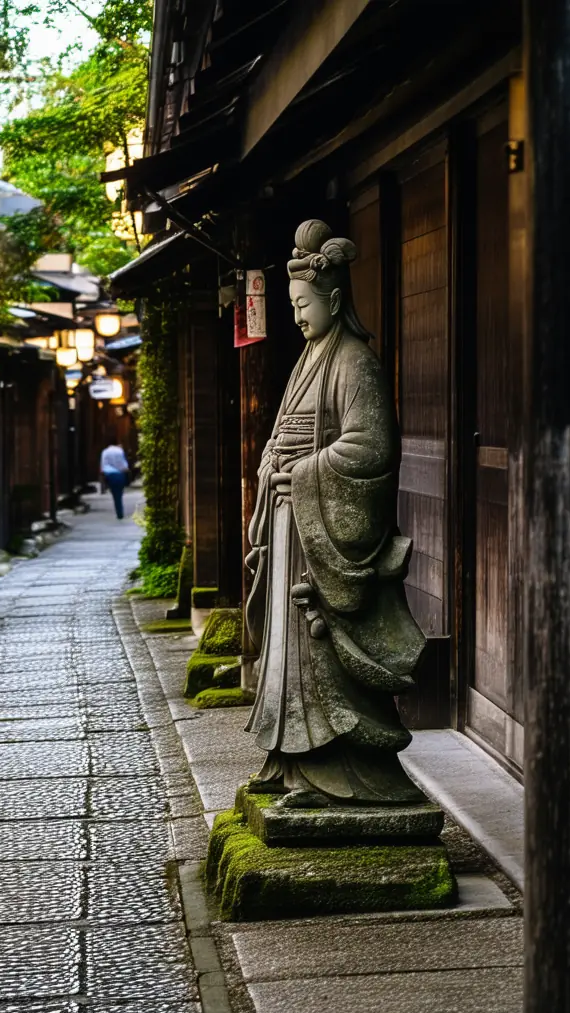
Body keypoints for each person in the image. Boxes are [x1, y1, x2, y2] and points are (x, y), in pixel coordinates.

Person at [243, 219, 427, 808]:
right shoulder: (307, 360)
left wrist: (301, 471)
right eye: (293, 305)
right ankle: (294, 763)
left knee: (319, 647)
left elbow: (371, 446)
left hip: (318, 526)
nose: (298, 316)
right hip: (290, 518)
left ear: (336, 299)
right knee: (288, 646)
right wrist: (275, 463)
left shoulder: (353, 361)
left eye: (305, 304)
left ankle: (342, 774)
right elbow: (282, 434)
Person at [99, 434, 129, 519]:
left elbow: (103, 465)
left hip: (110, 475)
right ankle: (120, 511)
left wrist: (102, 476)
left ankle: (119, 511)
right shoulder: (119, 451)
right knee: (119, 493)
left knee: (115, 494)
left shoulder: (105, 452)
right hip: (119, 474)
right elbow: (123, 464)